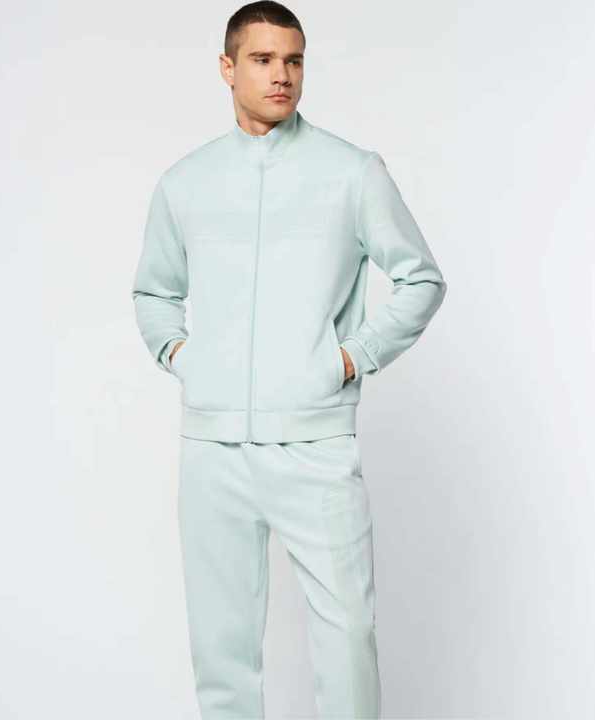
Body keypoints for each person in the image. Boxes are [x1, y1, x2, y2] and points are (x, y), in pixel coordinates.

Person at [132, 2, 447, 717]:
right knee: (221, 652)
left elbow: (421, 278)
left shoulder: (352, 172)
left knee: (348, 636)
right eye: (263, 59)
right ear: (227, 68)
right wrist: (185, 357)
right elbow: (154, 291)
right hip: (213, 449)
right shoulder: (185, 182)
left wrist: (350, 358)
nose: (282, 75)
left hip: (315, 445)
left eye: (294, 60)